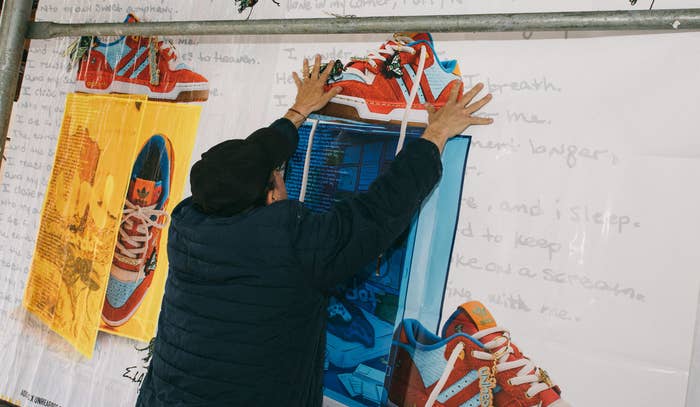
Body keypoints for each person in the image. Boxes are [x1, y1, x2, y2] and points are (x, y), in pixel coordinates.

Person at [136, 55, 493, 407]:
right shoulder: (291, 243)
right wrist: (436, 134)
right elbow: (379, 210)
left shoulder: (187, 225)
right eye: (278, 174)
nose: (281, 174)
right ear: (273, 195)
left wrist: (298, 111)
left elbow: (241, 166)